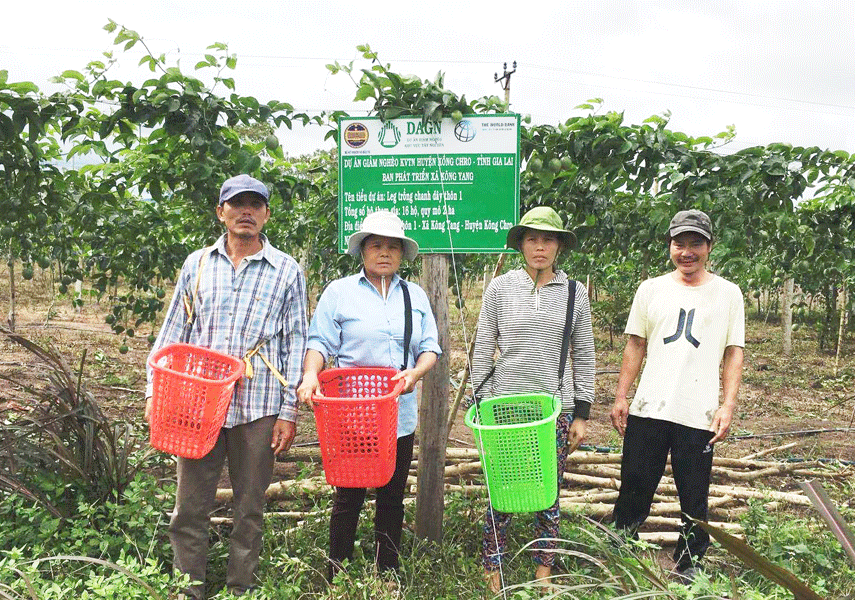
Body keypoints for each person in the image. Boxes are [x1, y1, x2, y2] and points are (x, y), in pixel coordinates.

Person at [145, 174, 307, 599]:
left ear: (267, 214)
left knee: (249, 508)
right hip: (198, 404)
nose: (246, 212)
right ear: (221, 212)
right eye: (237, 204)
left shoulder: (286, 270)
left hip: (259, 404)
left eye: (255, 205)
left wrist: (288, 411)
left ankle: (241, 589)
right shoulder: (197, 264)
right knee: (189, 507)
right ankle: (188, 590)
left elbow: (295, 343)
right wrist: (153, 391)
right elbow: (173, 333)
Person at [296, 210, 441, 582]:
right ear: (362, 251)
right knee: (348, 497)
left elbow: (430, 348)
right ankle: (338, 573)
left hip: (398, 414)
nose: (384, 253)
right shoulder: (340, 292)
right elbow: (319, 342)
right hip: (352, 416)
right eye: (376, 245)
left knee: (392, 497)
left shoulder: (414, 295)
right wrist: (311, 374)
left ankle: (387, 573)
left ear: (402, 254)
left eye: (392, 246)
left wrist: (416, 373)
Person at [610, 209, 744, 583]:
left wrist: (727, 405)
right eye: (679, 243)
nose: (687, 252)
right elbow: (635, 344)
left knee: (694, 493)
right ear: (669, 246)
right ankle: (621, 546)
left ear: (709, 247)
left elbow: (734, 351)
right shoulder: (650, 289)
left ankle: (689, 562)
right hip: (649, 406)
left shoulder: (728, 294)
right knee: (635, 483)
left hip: (698, 412)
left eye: (695, 244)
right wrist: (621, 396)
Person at [472, 206, 596, 592]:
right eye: (532, 239)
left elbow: (584, 353)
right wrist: (481, 402)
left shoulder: (574, 293)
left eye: (548, 240)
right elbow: (482, 347)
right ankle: (492, 566)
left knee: (548, 492)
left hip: (552, 409)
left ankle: (544, 569)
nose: (539, 247)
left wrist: (581, 412)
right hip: (504, 407)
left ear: (559, 246)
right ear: (521, 245)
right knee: (502, 490)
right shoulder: (500, 288)